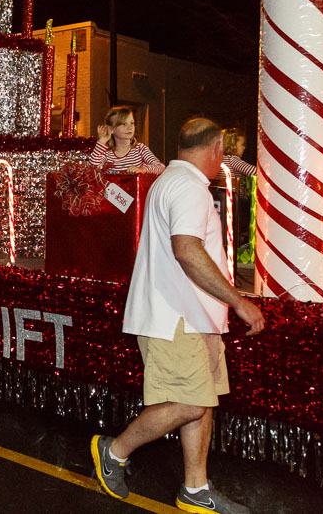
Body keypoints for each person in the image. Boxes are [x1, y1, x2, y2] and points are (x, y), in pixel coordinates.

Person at [91, 118, 264, 514]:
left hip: (190, 315)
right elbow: (186, 251)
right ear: (217, 146)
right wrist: (238, 301)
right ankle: (113, 451)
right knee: (190, 404)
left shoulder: (171, 180)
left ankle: (195, 489)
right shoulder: (188, 187)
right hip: (175, 317)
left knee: (201, 402)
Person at [90, 106, 165, 173]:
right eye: (124, 124)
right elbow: (92, 170)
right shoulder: (106, 154)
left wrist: (142, 169)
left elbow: (161, 167)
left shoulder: (140, 149)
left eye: (132, 123)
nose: (130, 127)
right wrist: (102, 141)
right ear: (111, 129)